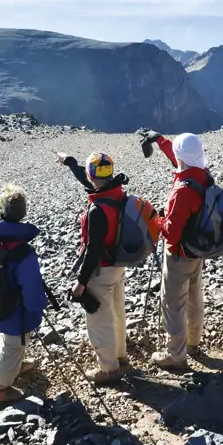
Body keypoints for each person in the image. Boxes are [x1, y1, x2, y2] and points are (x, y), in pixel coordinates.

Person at [138, 130, 208, 370]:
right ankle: (193, 342)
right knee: (194, 297)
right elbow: (177, 157)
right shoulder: (203, 177)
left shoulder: (182, 191)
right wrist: (159, 140)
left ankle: (175, 354)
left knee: (173, 304)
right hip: (198, 251)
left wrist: (157, 219)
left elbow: (171, 232)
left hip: (179, 254)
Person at [56, 151, 128, 385]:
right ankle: (120, 356)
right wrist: (70, 162)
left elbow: (92, 250)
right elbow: (88, 180)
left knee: (99, 319)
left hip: (102, 268)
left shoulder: (98, 209)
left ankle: (109, 370)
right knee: (117, 310)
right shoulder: (116, 192)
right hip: (118, 264)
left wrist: (81, 282)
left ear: (92, 175)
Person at [0, 184, 48, 407]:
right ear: (23, 212)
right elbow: (32, 291)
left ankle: (16, 365)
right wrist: (38, 308)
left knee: (13, 341)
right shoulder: (23, 251)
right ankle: (1, 389)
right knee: (14, 344)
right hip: (16, 309)